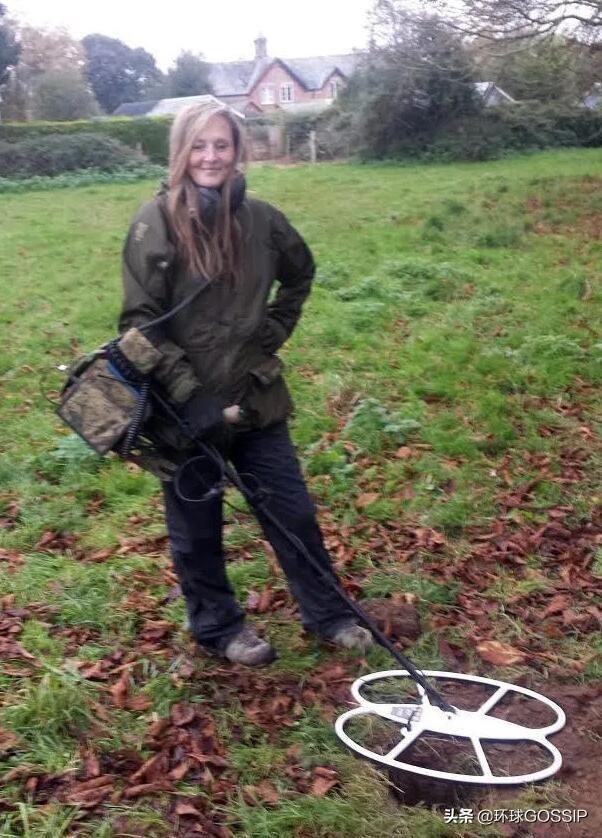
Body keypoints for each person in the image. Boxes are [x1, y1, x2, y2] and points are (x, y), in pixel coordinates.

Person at [119, 102, 372, 666]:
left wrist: (270, 336)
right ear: (182, 152)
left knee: (293, 511)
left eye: (222, 145)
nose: (211, 157)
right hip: (184, 413)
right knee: (197, 528)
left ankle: (328, 613)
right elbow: (138, 327)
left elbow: (300, 275)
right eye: (200, 146)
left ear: (238, 151)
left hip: (256, 399)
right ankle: (219, 628)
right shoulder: (153, 223)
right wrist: (189, 393)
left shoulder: (262, 220)